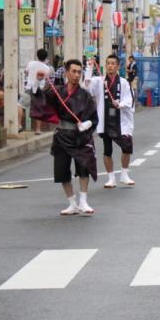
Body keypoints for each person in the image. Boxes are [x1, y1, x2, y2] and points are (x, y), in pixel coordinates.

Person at [31, 58, 98, 215]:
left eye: (79, 72)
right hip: (62, 135)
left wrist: (87, 124)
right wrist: (37, 82)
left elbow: (94, 117)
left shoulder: (85, 95)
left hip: (80, 136)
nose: (76, 75)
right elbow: (40, 100)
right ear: (67, 72)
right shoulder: (57, 92)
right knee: (62, 170)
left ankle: (83, 201)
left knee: (83, 167)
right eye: (73, 71)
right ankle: (72, 203)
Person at [86, 54, 135, 189]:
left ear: (118, 66)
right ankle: (111, 178)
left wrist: (120, 104)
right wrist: (89, 68)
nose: (110, 66)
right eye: (108, 63)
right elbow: (87, 87)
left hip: (120, 121)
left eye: (113, 63)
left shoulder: (124, 83)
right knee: (107, 150)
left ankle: (124, 174)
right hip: (106, 119)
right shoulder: (99, 81)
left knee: (127, 146)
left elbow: (130, 99)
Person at [23, 48, 54, 132]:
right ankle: (38, 129)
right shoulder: (47, 68)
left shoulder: (31, 63)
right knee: (38, 108)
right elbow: (46, 79)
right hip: (39, 90)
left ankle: (18, 125)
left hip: (29, 87)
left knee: (21, 104)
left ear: (37, 55)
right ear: (46, 57)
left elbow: (26, 72)